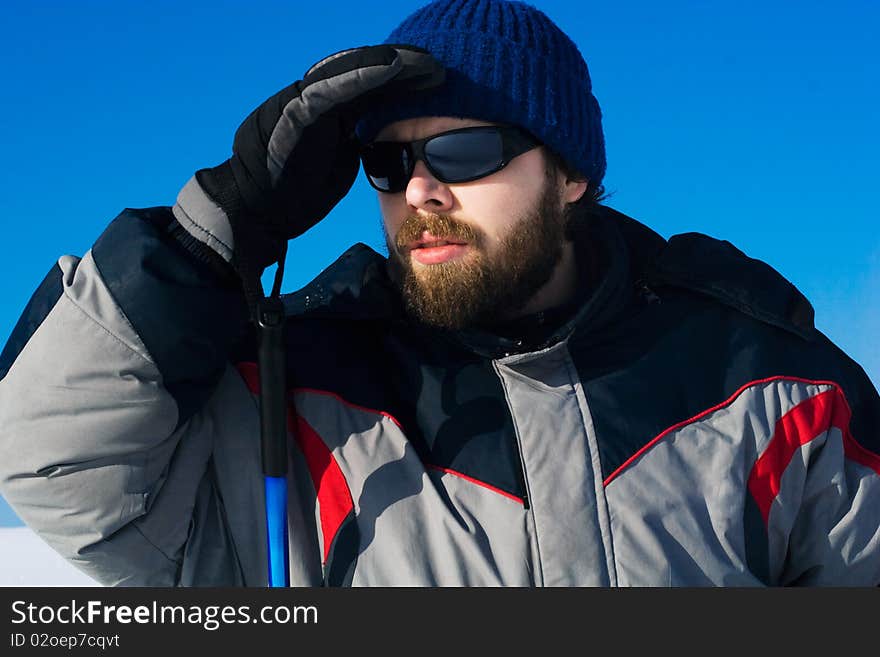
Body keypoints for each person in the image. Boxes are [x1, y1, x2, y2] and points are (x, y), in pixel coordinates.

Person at [0, 0, 878, 587]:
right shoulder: (298, 389)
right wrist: (217, 229)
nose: (420, 192)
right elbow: (52, 459)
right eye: (391, 163)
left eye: (464, 153)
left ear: (570, 174)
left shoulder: (770, 383)